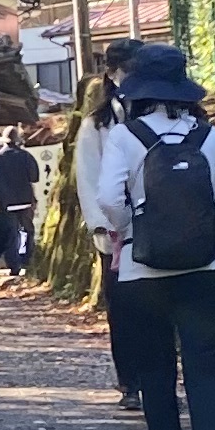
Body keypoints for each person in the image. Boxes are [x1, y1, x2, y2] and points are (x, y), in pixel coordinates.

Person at [78, 38, 215, 430]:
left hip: (143, 270)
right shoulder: (208, 135)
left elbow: (109, 199)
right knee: (204, 366)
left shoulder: (127, 136)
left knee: (156, 368)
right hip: (205, 266)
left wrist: (132, 228)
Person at [80, 39, 141, 398]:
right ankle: (129, 381)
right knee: (121, 308)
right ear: (112, 73)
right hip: (114, 232)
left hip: (153, 225)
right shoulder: (97, 124)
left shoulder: (156, 112)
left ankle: (154, 379)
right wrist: (102, 223)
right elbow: (88, 176)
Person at [0, 127, 42, 280]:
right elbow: (34, 177)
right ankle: (26, 260)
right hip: (25, 201)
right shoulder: (26, 156)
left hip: (5, 203)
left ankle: (14, 266)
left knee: (11, 235)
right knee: (28, 231)